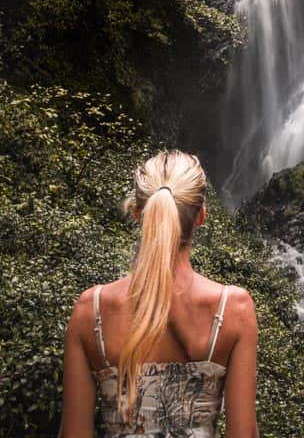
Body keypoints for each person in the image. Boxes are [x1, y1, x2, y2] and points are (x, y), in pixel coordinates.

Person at [58, 149, 259, 438]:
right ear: (201, 215)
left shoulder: (92, 309)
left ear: (139, 213)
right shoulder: (233, 309)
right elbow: (244, 434)